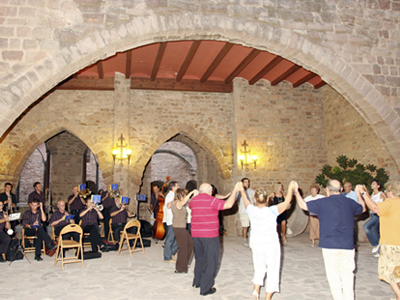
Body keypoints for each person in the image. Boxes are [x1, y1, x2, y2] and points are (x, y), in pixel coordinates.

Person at [293, 180, 366, 300]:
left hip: (330, 245)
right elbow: (363, 208)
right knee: (347, 275)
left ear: (327, 190)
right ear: (341, 189)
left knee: (334, 276)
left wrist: (296, 191)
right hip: (347, 245)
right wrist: (359, 193)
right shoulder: (349, 202)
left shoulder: (323, 202)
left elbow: (303, 205)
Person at [241, 182, 295, 300]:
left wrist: (241, 189)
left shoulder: (251, 209)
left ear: (255, 199)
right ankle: (268, 296)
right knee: (273, 268)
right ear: (267, 199)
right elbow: (287, 202)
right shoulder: (273, 210)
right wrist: (290, 188)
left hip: (256, 243)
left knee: (259, 266)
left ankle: (256, 290)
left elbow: (245, 198)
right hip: (270, 243)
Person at [189, 181, 242, 296]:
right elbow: (228, 205)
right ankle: (205, 288)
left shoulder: (193, 201)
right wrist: (235, 191)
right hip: (209, 235)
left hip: (196, 234)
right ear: (210, 191)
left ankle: (197, 282)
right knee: (211, 261)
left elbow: (190, 205)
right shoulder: (211, 200)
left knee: (200, 259)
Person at [357, 181, 400, 300]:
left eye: (387, 191)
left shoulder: (390, 203)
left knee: (389, 272)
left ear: (391, 192)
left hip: (392, 243)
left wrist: (364, 194)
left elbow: (375, 208)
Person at [172, 188, 198, 273]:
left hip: (181, 227)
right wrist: (191, 192)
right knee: (183, 247)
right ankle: (180, 268)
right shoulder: (177, 203)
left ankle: (185, 263)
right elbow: (183, 202)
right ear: (181, 196)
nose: (186, 197)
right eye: (184, 195)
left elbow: (188, 201)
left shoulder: (177, 203)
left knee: (190, 244)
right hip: (178, 228)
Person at [363, 180, 386, 257]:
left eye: (374, 184)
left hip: (377, 215)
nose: (372, 185)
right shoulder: (372, 194)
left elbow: (387, 202)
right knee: (375, 232)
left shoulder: (381, 194)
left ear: (378, 186)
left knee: (366, 227)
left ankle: (376, 244)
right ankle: (380, 252)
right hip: (372, 215)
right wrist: (364, 189)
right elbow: (368, 199)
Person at [236, 178, 255, 247]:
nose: (247, 184)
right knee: (245, 226)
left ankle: (251, 237)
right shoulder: (239, 192)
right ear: (242, 183)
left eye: (248, 182)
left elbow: (255, 199)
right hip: (243, 211)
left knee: (253, 225)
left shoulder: (251, 191)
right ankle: (244, 240)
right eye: (246, 182)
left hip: (251, 210)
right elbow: (236, 200)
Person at [163, 181, 179, 263]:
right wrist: (176, 200)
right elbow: (168, 205)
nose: (178, 187)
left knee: (178, 238)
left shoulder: (173, 195)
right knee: (170, 239)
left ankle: (171, 253)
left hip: (175, 219)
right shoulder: (170, 195)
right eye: (177, 186)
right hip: (171, 220)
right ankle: (167, 257)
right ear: (173, 187)